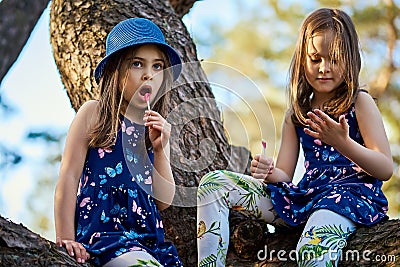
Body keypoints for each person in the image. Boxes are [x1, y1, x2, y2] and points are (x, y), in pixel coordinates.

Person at [197, 8, 393, 267]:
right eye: (315, 59)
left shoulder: (359, 102)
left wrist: (342, 143)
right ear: (302, 59)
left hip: (348, 198)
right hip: (305, 196)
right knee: (215, 184)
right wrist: (268, 172)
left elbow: (385, 168)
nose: (324, 68)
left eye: (334, 59)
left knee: (311, 250)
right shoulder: (297, 113)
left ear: (351, 59)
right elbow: (284, 178)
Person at [54, 17, 183, 266]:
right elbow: (68, 176)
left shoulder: (152, 130)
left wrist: (160, 149)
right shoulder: (94, 114)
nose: (148, 75)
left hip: (150, 244)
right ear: (115, 70)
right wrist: (65, 239)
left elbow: (163, 200)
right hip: (106, 238)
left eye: (157, 67)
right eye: (137, 64)